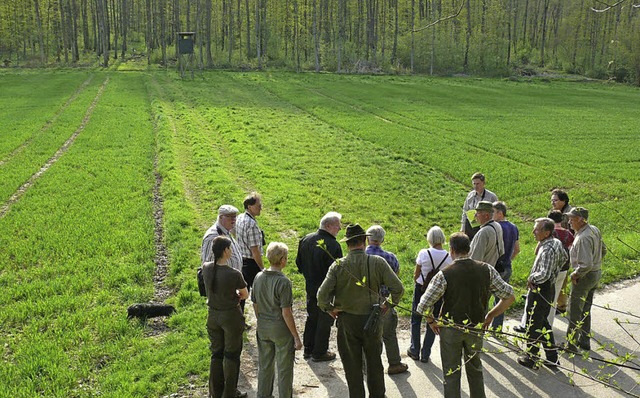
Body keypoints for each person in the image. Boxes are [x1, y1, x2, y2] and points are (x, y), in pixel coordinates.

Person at [416, 232, 514, 398]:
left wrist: (431, 321)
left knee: (451, 371)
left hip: (450, 329)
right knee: (475, 368)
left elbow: (423, 305)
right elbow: (509, 297)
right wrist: (489, 316)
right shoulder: (487, 270)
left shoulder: (445, 274)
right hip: (476, 327)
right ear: (469, 249)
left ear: (452, 250)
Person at [317, 224, 404, 398]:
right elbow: (398, 288)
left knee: (352, 367)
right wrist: (387, 305)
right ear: (364, 241)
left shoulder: (338, 266)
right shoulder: (378, 262)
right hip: (373, 320)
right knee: (374, 364)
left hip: (347, 322)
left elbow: (321, 296)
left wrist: (330, 309)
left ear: (347, 244)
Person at [252, 242, 303, 398]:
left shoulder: (258, 276)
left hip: (263, 326)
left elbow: (255, 304)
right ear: (282, 260)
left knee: (265, 366)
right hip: (280, 329)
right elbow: (286, 312)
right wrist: (295, 336)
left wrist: (261, 320)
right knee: (284, 368)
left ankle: (263, 395)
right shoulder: (283, 281)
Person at [517, 218, 567, 371]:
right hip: (549, 289)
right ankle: (552, 358)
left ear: (546, 232)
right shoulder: (556, 242)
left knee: (533, 323)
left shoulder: (546, 249)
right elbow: (565, 257)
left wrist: (531, 278)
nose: (533, 232)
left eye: (537, 229)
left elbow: (543, 274)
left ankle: (531, 358)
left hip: (540, 289)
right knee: (544, 323)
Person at [202, 236, 249, 398]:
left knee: (216, 354)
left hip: (212, 316)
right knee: (231, 355)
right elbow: (244, 294)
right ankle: (229, 393)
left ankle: (215, 392)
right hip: (230, 317)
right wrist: (234, 294)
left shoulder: (206, 267)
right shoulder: (234, 274)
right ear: (226, 251)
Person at [296, 211, 343, 361]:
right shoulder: (333, 245)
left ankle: (308, 349)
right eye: (337, 226)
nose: (340, 229)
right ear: (328, 226)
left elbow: (298, 263)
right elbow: (337, 272)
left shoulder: (305, 239)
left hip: (310, 286)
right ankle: (320, 352)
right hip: (326, 290)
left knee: (312, 317)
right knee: (325, 320)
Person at [365, 225, 408, 375]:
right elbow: (396, 281)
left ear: (367, 239)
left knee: (368, 336)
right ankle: (394, 363)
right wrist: (390, 303)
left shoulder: (360, 256)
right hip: (384, 302)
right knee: (389, 334)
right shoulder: (391, 257)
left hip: (364, 301)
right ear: (382, 239)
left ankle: (368, 367)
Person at [408, 226, 452, 363]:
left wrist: (420, 281)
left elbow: (416, 275)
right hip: (438, 291)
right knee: (432, 321)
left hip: (421, 288)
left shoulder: (423, 253)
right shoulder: (449, 256)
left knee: (416, 319)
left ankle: (414, 349)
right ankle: (426, 353)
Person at [564, 207, 606, 353]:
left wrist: (575, 274)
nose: (569, 222)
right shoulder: (593, 229)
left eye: (572, 218)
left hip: (585, 276)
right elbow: (603, 249)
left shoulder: (583, 238)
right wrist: (597, 262)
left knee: (574, 310)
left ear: (581, 220)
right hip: (596, 273)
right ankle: (584, 340)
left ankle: (571, 344)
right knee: (586, 308)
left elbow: (585, 264)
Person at [490, 201, 520, 329]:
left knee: (485, 297)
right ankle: (497, 328)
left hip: (495, 267)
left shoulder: (495, 228)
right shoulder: (514, 227)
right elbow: (517, 249)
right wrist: (509, 259)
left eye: (493, 212)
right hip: (507, 266)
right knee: (502, 299)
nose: (491, 215)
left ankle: (481, 324)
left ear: (500, 213)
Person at [236, 192, 265, 311]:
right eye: (258, 205)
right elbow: (255, 251)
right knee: (259, 294)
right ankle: (263, 318)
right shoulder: (252, 224)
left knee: (242, 292)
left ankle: (239, 318)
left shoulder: (240, 218)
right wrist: (262, 269)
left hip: (242, 260)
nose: (261, 208)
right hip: (252, 264)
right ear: (249, 207)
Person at [547, 209, 574, 325]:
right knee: (558, 290)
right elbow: (571, 249)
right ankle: (560, 306)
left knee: (548, 295)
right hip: (564, 265)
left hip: (551, 266)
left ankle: (546, 321)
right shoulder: (568, 233)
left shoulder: (550, 233)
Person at [202, 205, 243, 272]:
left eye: (235, 216)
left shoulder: (227, 231)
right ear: (221, 217)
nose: (233, 220)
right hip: (221, 281)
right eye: (230, 216)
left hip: (231, 279)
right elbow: (208, 264)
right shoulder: (212, 236)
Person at [461, 172, 498, 241]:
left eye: (478, 184)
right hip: (471, 226)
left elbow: (496, 213)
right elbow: (465, 211)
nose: (475, 186)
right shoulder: (470, 196)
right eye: (474, 184)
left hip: (485, 226)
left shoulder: (491, 197)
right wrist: (463, 228)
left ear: (483, 183)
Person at [469, 201, 504, 267]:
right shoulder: (497, 226)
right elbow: (502, 251)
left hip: (481, 273)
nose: (475, 215)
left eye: (478, 213)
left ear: (486, 215)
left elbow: (476, 259)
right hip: (492, 269)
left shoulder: (484, 232)